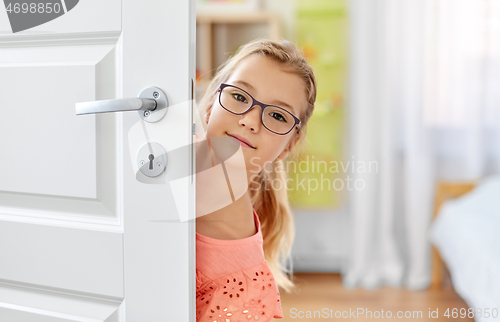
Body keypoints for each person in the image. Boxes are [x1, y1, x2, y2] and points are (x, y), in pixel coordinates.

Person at [195, 38, 317, 321]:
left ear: (289, 145)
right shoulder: (169, 154)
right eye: (239, 96)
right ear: (213, 103)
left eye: (276, 115)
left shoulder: (247, 286)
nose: (251, 120)